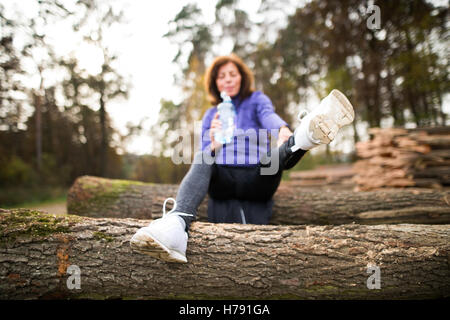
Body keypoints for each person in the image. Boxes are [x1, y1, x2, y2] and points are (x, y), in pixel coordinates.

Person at [130, 53, 355, 263]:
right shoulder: (211, 114)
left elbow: (268, 116)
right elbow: (205, 157)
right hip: (223, 179)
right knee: (202, 156)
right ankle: (176, 225)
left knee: (272, 159)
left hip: (258, 176)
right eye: (222, 76)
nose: (228, 80)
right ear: (215, 83)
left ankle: (303, 137)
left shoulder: (256, 100)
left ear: (242, 77)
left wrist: (282, 129)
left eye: (233, 74)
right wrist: (214, 143)